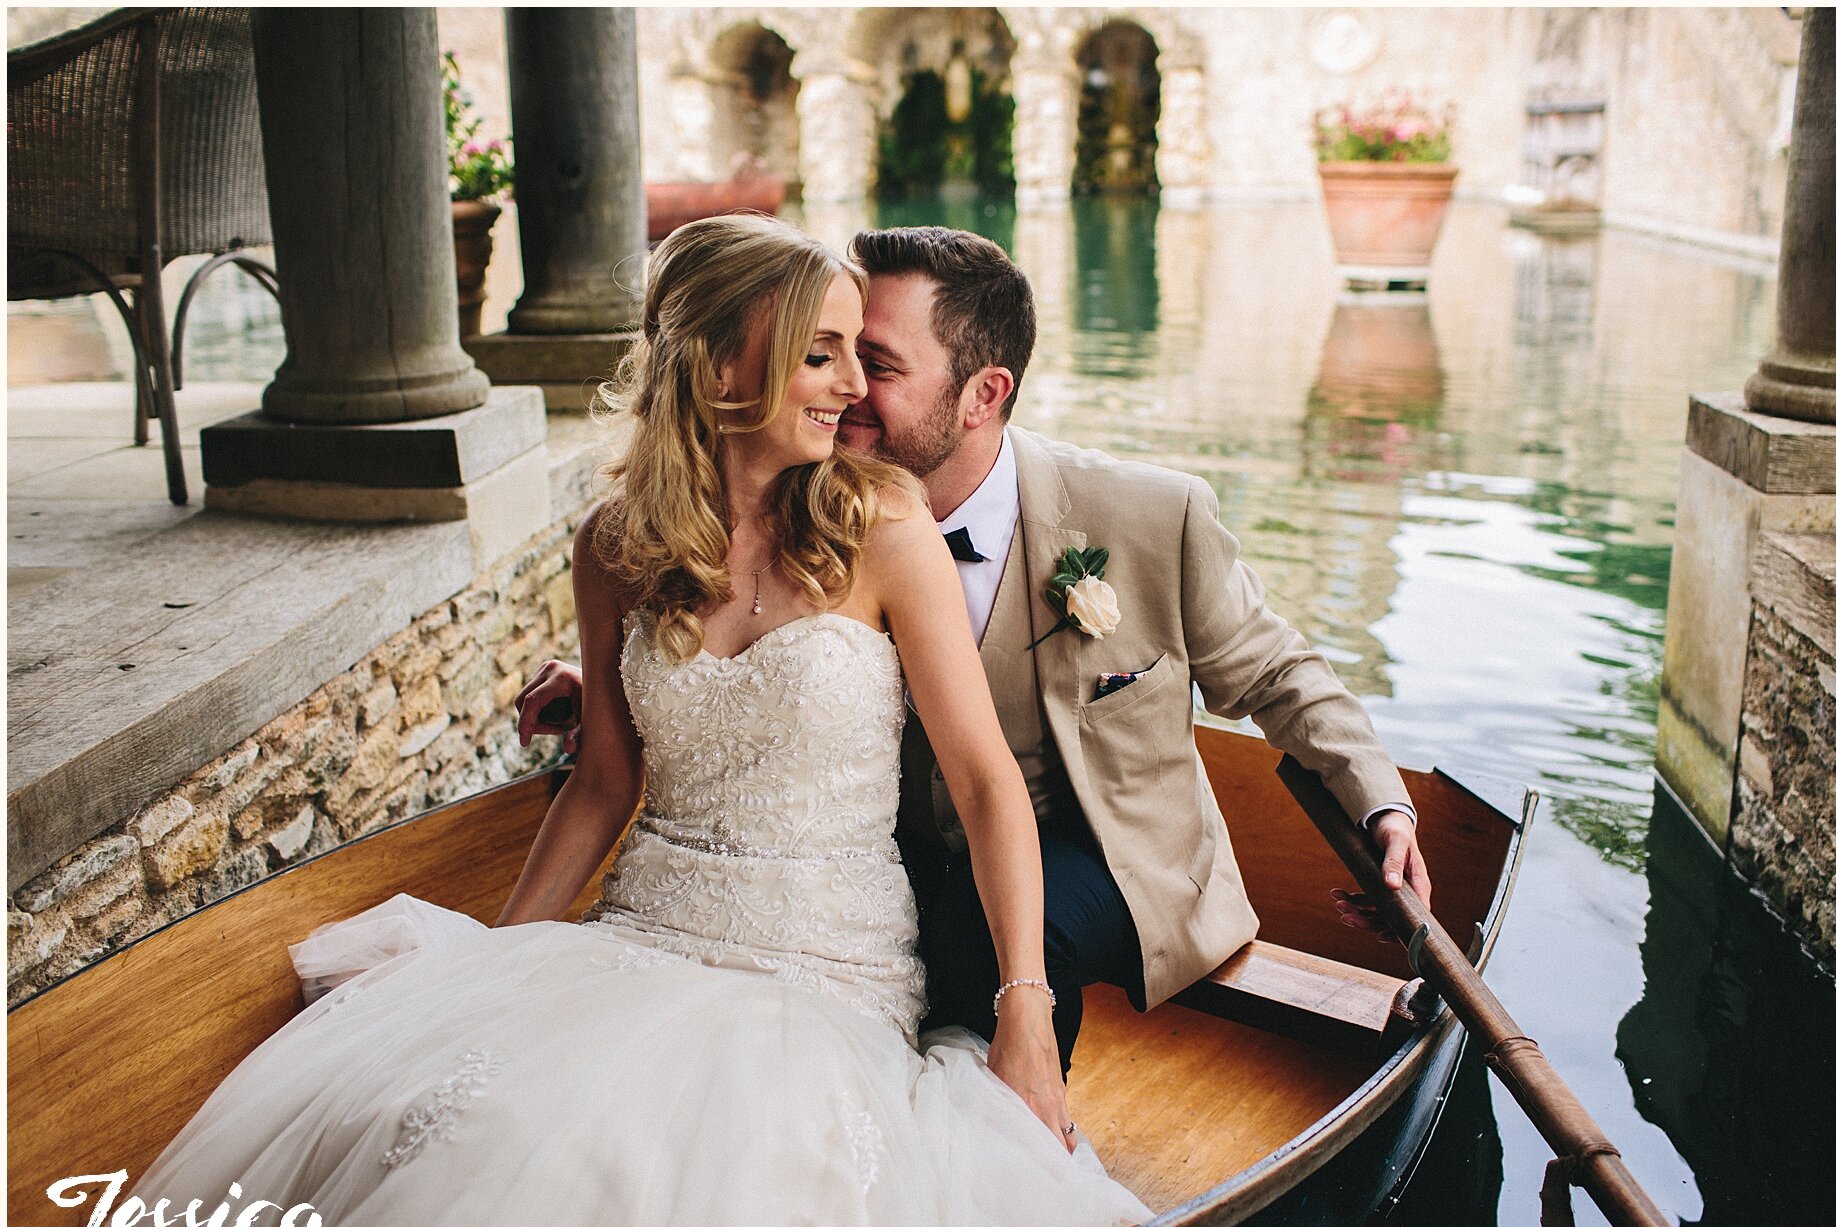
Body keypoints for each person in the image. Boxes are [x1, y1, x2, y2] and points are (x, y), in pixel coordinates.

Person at [46, 216, 1149, 1227]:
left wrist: (1022, 1012)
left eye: (858, 357)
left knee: (719, 1190)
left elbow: (987, 785)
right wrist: (494, 961)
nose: (849, 388)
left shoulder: (884, 527)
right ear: (723, 365)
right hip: (644, 929)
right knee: (468, 1139)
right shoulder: (617, 544)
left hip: (824, 965)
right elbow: (604, 784)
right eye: (819, 355)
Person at [519, 225, 1431, 1080]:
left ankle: (1025, 1104)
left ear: (983, 393)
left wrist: (1380, 806)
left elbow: (1275, 673)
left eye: (875, 364)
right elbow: (758, 655)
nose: (848, 388)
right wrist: (637, 687)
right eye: (827, 351)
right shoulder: (798, 505)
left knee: (972, 942)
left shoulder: (1150, 515)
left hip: (1104, 841)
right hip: (880, 846)